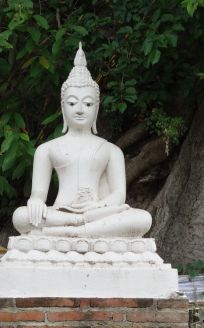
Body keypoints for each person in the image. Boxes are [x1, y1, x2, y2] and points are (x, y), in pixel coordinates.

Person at [11, 43, 151, 239]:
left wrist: (96, 207)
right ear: (62, 107)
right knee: (21, 216)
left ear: (96, 108)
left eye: (87, 103)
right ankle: (77, 227)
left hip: (97, 212)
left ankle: (73, 231)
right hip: (60, 213)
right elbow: (38, 195)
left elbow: (119, 196)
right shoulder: (46, 149)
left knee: (142, 218)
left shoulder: (111, 151)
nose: (79, 109)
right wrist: (36, 202)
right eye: (72, 103)